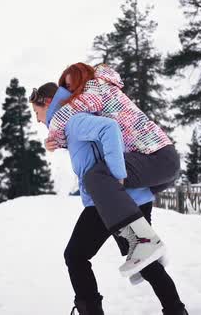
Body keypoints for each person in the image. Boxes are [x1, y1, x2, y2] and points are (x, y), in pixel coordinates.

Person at [30, 83, 188, 315]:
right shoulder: (71, 118)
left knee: (75, 256)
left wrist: (118, 176)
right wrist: (54, 141)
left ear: (46, 102)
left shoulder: (73, 120)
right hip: (124, 198)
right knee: (145, 260)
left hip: (109, 200)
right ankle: (176, 310)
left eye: (36, 112)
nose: (37, 120)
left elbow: (109, 128)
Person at [46, 63, 181, 277]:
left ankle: (146, 245)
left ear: (83, 79)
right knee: (106, 182)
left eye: (71, 87)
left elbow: (66, 114)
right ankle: (150, 257)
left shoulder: (96, 87)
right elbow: (83, 130)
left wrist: (53, 129)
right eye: (67, 88)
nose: (71, 93)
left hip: (157, 158)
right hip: (160, 161)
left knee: (97, 175)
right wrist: (60, 141)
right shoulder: (104, 90)